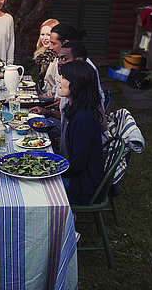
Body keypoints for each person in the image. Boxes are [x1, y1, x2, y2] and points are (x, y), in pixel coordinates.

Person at [57, 60, 104, 205]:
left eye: (64, 77)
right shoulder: (76, 109)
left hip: (83, 186)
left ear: (77, 84)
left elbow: (77, 165)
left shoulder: (84, 119)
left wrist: (51, 172)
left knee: (37, 187)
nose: (59, 79)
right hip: (78, 177)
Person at [33, 19, 59, 96]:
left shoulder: (58, 57)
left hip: (51, 98)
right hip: (42, 94)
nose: (45, 38)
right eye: (42, 34)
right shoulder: (41, 53)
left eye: (48, 35)